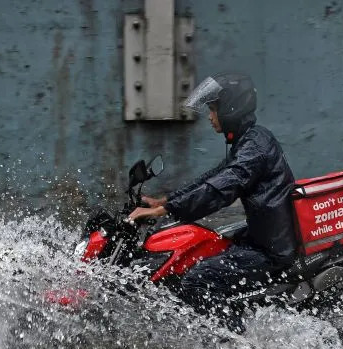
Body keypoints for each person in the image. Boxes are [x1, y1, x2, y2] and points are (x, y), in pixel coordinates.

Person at [127, 72, 298, 332]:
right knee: (205, 249)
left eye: (213, 109)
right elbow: (213, 178)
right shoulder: (250, 141)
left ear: (231, 109)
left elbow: (222, 188)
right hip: (262, 236)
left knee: (196, 280)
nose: (210, 116)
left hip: (270, 251)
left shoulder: (254, 147)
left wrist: (167, 209)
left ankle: (232, 348)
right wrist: (165, 200)